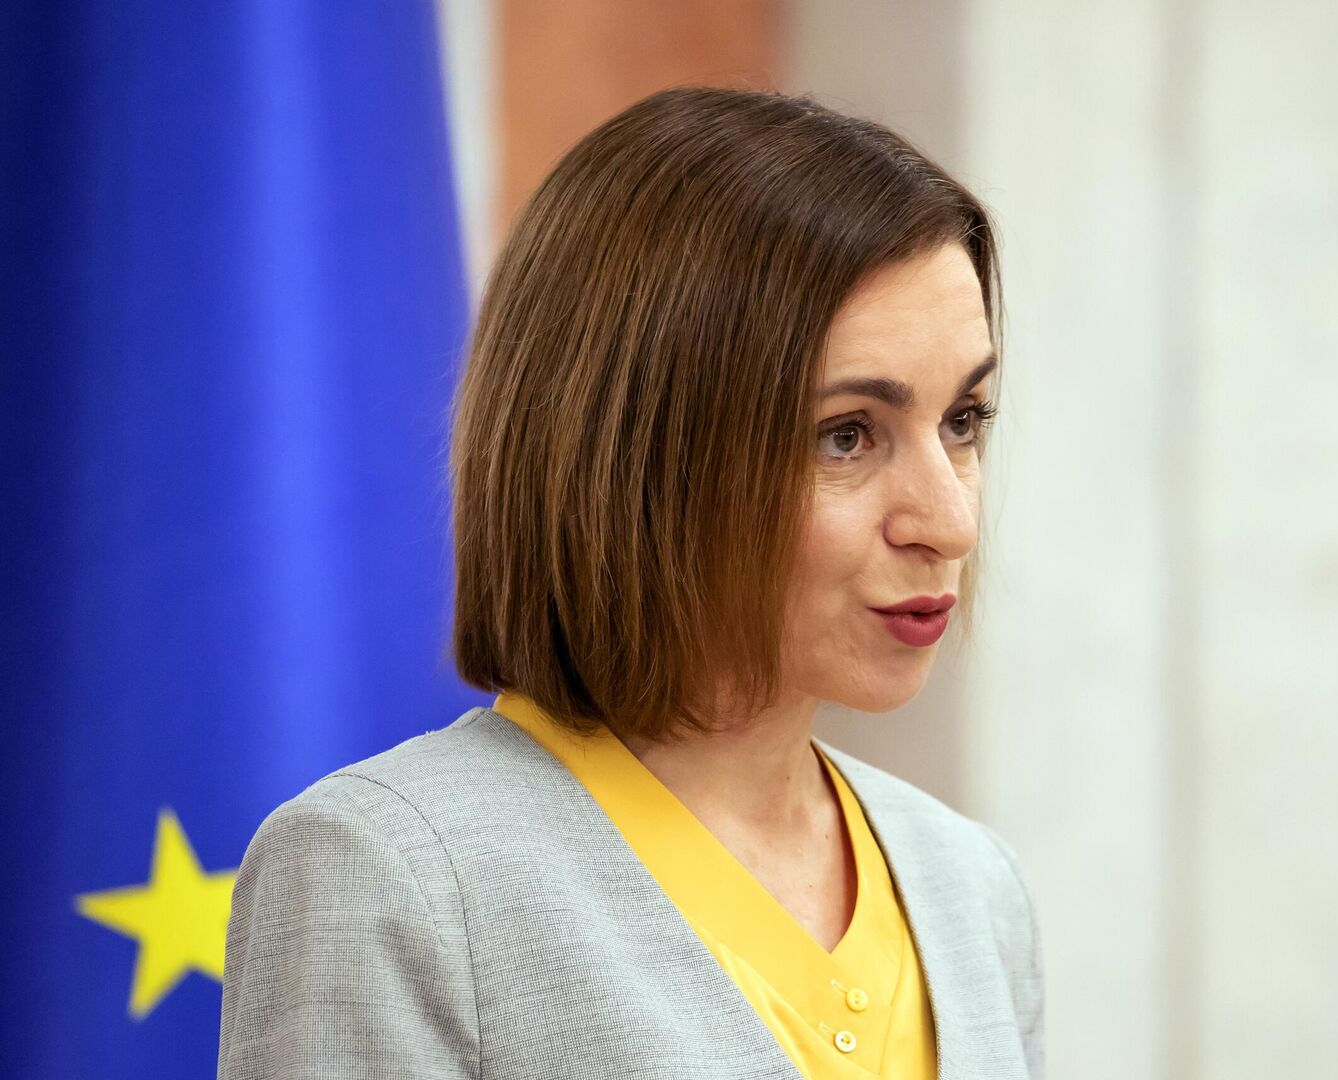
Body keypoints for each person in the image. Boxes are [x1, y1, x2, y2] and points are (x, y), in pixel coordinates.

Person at [216, 85, 1043, 1079]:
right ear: (641, 452)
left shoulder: (972, 885)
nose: (949, 521)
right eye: (845, 436)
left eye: (963, 421)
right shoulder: (389, 877)